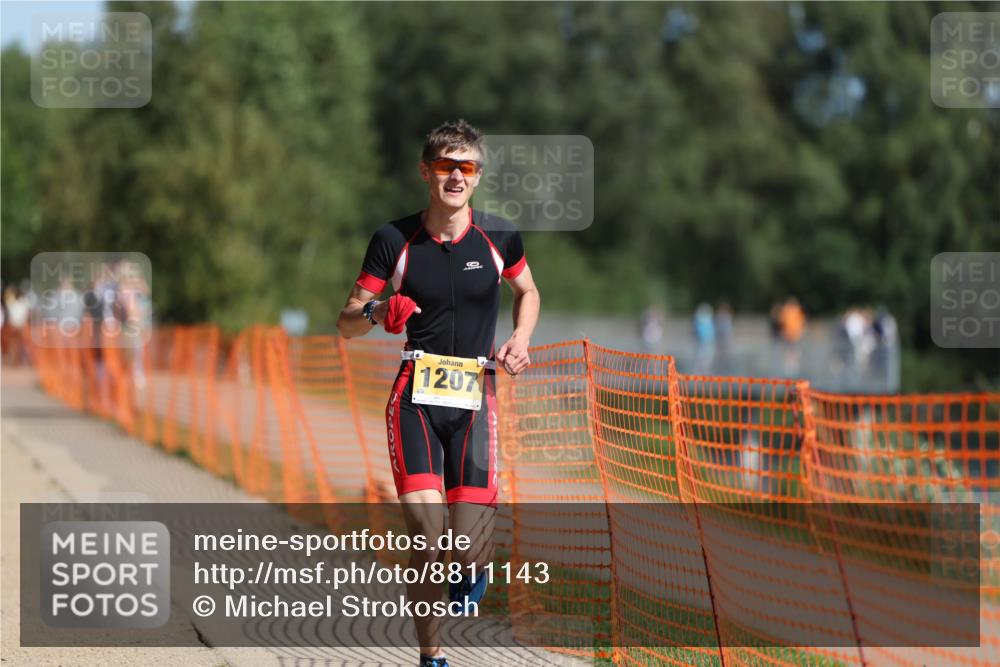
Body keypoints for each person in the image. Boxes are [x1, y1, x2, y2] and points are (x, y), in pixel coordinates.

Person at [336, 120, 540, 667]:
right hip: (416, 401)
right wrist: (379, 311)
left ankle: (473, 567)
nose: (456, 176)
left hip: (476, 399)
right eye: (446, 165)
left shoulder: (499, 238)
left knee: (467, 549)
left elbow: (528, 291)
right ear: (426, 171)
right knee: (426, 539)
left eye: (467, 167)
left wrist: (520, 339)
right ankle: (432, 657)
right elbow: (347, 321)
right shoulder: (394, 240)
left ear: (477, 177)